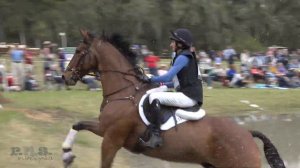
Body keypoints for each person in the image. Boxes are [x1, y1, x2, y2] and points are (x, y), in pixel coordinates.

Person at [139, 28, 203, 148]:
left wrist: (150, 79)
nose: (170, 44)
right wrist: (159, 84)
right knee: (157, 91)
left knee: (153, 97)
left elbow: (168, 77)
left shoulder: (183, 57)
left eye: (173, 42)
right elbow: (174, 83)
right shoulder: (185, 56)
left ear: (180, 43)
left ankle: (156, 136)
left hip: (188, 97)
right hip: (188, 94)